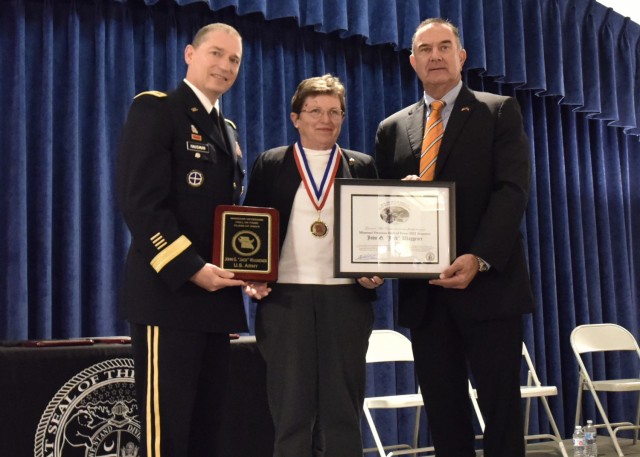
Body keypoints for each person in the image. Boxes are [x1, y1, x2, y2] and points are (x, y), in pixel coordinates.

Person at [375, 18, 535, 457]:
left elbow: (512, 191)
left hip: (488, 287)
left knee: (500, 412)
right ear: (412, 61)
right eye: (425, 49)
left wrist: (479, 257)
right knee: (444, 414)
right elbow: (381, 209)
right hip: (426, 296)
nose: (435, 56)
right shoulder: (392, 128)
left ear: (461, 56)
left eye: (445, 47)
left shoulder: (498, 110)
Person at [116, 23, 247, 457]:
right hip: (168, 297)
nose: (225, 65)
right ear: (190, 54)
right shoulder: (158, 110)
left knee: (205, 433)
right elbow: (141, 205)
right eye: (216, 53)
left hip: (214, 301)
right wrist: (191, 269)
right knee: (166, 436)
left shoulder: (225, 128)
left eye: (234, 59)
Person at [243, 74, 383, 457]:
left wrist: (376, 270)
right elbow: (249, 228)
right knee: (291, 409)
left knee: (343, 407)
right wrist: (251, 276)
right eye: (315, 111)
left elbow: (376, 234)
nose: (326, 119)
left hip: (347, 302)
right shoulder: (270, 164)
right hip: (286, 300)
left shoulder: (361, 164)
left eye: (335, 111)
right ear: (296, 117)